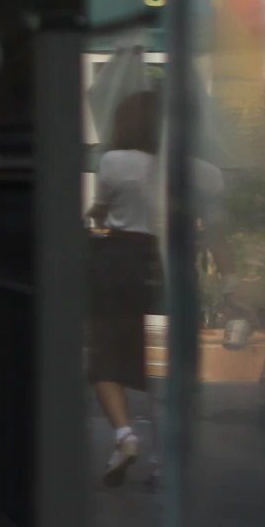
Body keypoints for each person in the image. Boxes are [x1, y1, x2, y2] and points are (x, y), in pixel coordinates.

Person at [89, 89, 164, 486]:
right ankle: (161, 455)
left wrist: (95, 214)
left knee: (104, 356)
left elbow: (99, 210)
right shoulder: (168, 165)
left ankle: (125, 436)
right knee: (154, 361)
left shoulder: (113, 161)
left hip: (116, 260)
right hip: (154, 262)